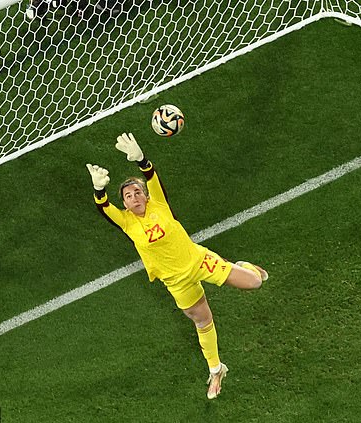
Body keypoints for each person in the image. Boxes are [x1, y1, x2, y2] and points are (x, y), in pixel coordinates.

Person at [86, 133, 268, 400]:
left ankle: (244, 267)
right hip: (176, 282)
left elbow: (151, 178)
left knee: (255, 283)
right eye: (128, 195)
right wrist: (99, 189)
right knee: (202, 321)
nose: (134, 196)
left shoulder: (158, 203)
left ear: (146, 197)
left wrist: (141, 159)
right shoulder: (126, 222)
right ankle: (216, 370)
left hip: (199, 262)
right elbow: (103, 207)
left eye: (138, 192)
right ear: (124, 204)